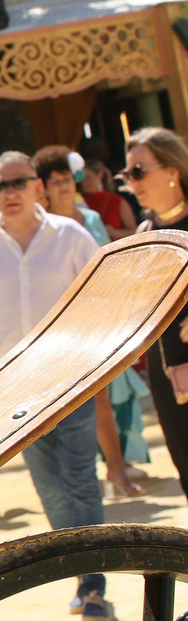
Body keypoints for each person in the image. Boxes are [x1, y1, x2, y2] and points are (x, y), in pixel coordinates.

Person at [0, 151, 111, 621]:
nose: (9, 193)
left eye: (18, 182)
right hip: (13, 393)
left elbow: (101, 303)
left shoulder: (72, 238)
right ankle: (81, 573)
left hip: (71, 381)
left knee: (81, 477)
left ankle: (94, 584)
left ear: (37, 186)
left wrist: (101, 362)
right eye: (0, 185)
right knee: (50, 488)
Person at [34, 145, 148, 497]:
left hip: (99, 321)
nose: (64, 187)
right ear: (46, 189)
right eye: (56, 182)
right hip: (59, 327)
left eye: (68, 179)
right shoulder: (40, 231)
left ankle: (116, 469)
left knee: (103, 399)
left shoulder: (93, 221)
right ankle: (82, 479)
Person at [129, 128, 188, 499]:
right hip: (166, 371)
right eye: (127, 175)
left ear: (172, 170)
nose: (132, 182)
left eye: (139, 171)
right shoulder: (145, 232)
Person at [83, 159, 138, 241]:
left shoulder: (117, 201)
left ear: (100, 175)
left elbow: (135, 232)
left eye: (88, 178)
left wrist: (114, 232)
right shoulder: (78, 202)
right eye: (82, 179)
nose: (84, 182)